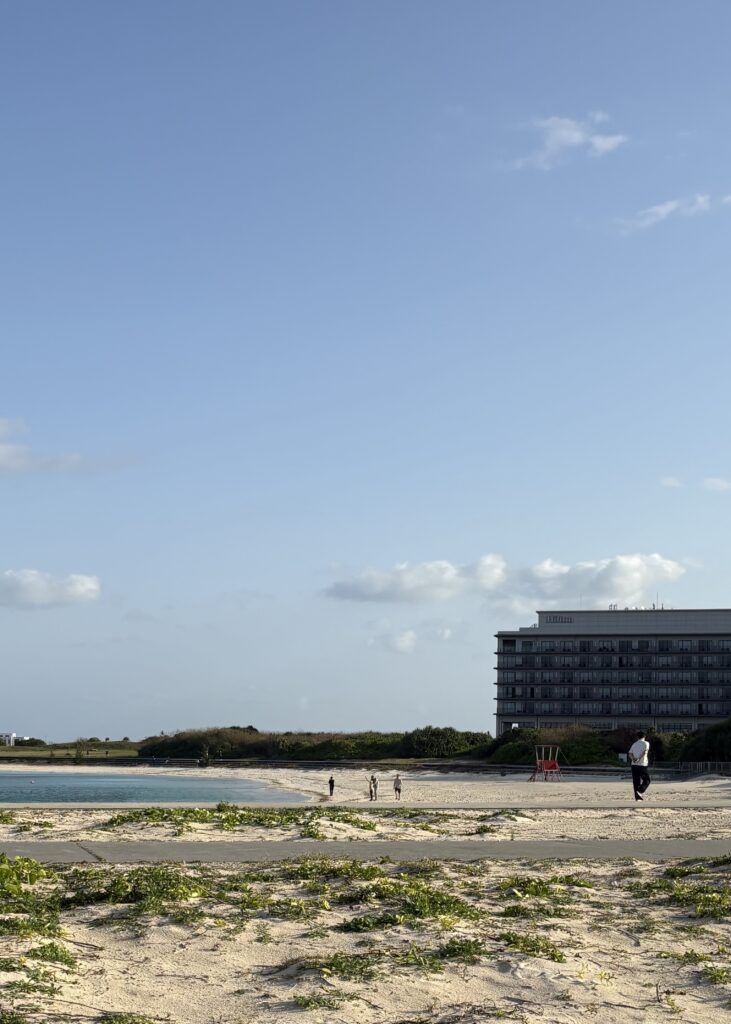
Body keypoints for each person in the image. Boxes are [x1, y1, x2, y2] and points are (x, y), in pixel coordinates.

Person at [628, 731, 651, 801]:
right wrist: (638, 759)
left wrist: (633, 759)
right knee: (647, 780)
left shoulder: (634, 744)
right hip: (642, 764)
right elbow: (644, 752)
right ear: (644, 736)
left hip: (634, 765)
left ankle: (637, 797)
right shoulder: (646, 743)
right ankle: (640, 791)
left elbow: (630, 753)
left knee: (636, 781)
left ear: (637, 737)